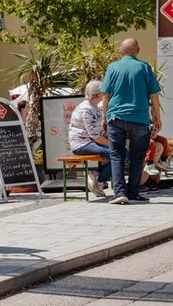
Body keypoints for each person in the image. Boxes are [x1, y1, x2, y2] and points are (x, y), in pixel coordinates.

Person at [101, 38, 162, 205]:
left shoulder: (112, 67)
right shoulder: (145, 67)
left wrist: (104, 117)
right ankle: (133, 192)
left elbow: (106, 95)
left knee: (116, 155)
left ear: (121, 51)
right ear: (138, 51)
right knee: (138, 156)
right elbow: (154, 95)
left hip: (116, 117)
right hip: (139, 118)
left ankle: (119, 193)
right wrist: (157, 118)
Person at [67, 81, 111, 199]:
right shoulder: (86, 109)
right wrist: (112, 144)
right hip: (81, 144)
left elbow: (100, 131)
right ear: (98, 94)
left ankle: (96, 175)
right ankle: (100, 181)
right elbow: (95, 136)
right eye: (104, 92)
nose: (106, 94)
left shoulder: (95, 108)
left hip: (90, 141)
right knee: (117, 154)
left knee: (122, 153)